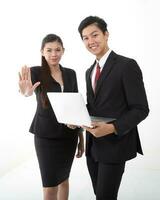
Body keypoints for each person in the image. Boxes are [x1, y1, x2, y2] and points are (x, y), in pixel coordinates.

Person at [78, 16, 149, 200]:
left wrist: (112, 128)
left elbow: (140, 108)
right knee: (98, 194)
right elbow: (93, 107)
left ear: (106, 34)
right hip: (93, 146)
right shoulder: (89, 71)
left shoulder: (126, 66)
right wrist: (75, 117)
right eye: (85, 38)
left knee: (105, 196)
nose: (90, 41)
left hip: (115, 145)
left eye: (95, 35)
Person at [18, 34, 84, 200]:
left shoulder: (70, 74)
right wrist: (26, 93)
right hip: (46, 136)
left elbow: (76, 106)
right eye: (49, 50)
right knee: (50, 186)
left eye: (57, 50)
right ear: (42, 52)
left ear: (63, 51)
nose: (54, 54)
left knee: (64, 179)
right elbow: (26, 90)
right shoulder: (36, 72)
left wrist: (81, 137)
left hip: (69, 136)